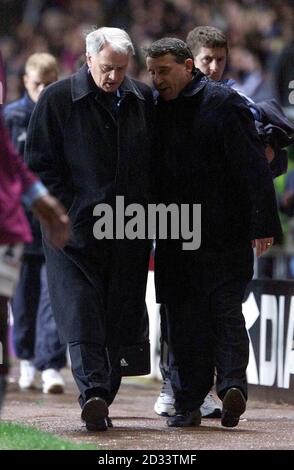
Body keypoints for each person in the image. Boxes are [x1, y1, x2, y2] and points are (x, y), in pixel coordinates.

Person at [154, 26, 293, 420]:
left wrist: (262, 223)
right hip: (180, 229)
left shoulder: (230, 102)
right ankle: (198, 393)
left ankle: (217, 390)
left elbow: (260, 165)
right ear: (190, 62)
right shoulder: (157, 104)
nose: (213, 68)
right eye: (207, 60)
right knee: (194, 315)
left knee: (219, 312)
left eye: (219, 60)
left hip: (211, 231)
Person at [25, 27, 153, 431]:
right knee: (81, 314)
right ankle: (93, 392)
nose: (113, 76)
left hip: (128, 231)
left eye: (120, 68)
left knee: (118, 317)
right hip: (73, 233)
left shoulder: (141, 98)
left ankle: (103, 394)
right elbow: (38, 167)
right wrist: (68, 211)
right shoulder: (57, 99)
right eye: (106, 68)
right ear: (87, 59)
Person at [4, 53, 67, 394]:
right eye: (36, 83)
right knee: (23, 300)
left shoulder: (64, 114)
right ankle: (26, 358)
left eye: (49, 83)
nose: (43, 89)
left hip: (53, 226)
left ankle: (52, 364)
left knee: (53, 296)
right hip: (19, 227)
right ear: (25, 82)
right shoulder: (10, 118)